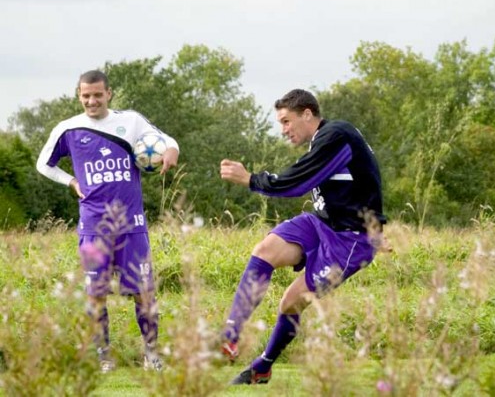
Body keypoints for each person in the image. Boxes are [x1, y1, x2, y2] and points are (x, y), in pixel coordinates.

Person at [219, 88, 385, 385]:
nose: (283, 130)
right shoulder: (324, 140)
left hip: (351, 240)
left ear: (307, 114)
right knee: (265, 249)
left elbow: (298, 182)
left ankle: (263, 366)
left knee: (291, 302)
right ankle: (230, 335)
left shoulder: (335, 136)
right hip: (322, 223)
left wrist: (251, 179)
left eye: (286, 121)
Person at [36, 70, 180, 373]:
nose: (92, 101)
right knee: (96, 292)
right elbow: (43, 164)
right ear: (79, 95)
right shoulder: (68, 128)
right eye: (86, 96)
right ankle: (103, 356)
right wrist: (71, 181)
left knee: (144, 291)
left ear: (108, 93)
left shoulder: (131, 121)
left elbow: (169, 140)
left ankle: (151, 354)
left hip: (132, 224)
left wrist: (170, 151)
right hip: (93, 225)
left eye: (97, 95)